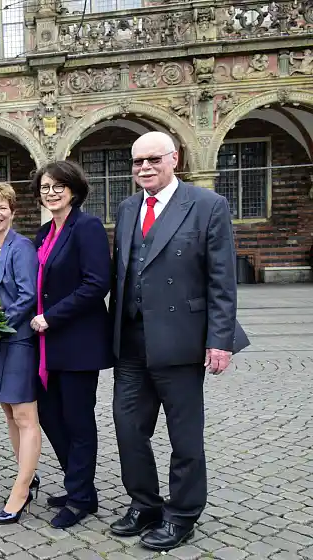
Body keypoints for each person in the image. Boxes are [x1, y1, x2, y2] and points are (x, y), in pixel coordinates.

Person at [109, 131, 248, 551]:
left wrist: (219, 340)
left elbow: (222, 279)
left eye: (153, 159)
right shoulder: (128, 207)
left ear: (175, 159)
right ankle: (145, 503)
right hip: (132, 339)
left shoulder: (207, 205)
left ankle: (183, 513)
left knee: (184, 435)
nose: (144, 168)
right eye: (137, 162)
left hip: (181, 340)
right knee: (128, 428)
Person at [30, 161, 113, 529]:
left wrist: (53, 316)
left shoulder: (87, 226)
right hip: (46, 344)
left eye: (58, 186)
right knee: (51, 416)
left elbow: (97, 283)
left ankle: (79, 499)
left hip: (77, 342)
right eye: (45, 186)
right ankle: (80, 485)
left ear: (74, 190)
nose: (51, 192)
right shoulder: (45, 231)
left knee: (78, 422)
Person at [0, 182, 42, 525]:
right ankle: (27, 476)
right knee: (8, 412)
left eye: (2, 207)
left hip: (16, 341)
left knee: (25, 416)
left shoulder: (21, 247)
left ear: (13, 212)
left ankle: (20, 491)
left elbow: (26, 295)